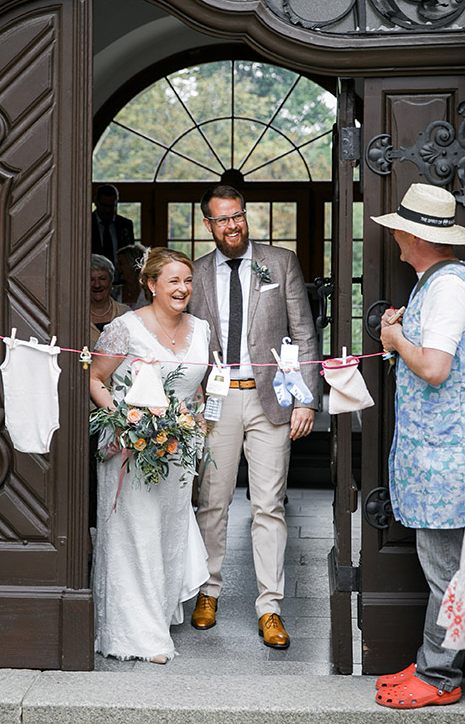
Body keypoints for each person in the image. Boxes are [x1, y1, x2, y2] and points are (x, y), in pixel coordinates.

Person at [186, 184, 320, 649]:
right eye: (221, 220)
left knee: (269, 505)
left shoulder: (279, 262)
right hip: (216, 403)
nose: (232, 226)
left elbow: (303, 334)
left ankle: (270, 607)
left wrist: (306, 399)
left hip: (272, 402)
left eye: (237, 216)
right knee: (213, 501)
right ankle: (208, 591)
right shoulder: (198, 273)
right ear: (209, 226)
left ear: (247, 215)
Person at [370, 182, 465, 709]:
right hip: (436, 454)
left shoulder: (450, 286)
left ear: (414, 235)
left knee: (447, 572)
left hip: (447, 458)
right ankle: (434, 661)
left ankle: (439, 677)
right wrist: (402, 331)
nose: (396, 240)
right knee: (445, 567)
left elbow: (434, 367)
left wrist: (396, 341)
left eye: (399, 232)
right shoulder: (433, 283)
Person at [88, 247, 210, 663]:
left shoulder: (202, 329)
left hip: (178, 448)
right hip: (131, 447)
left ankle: (158, 614)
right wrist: (123, 421)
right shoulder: (125, 328)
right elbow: (96, 379)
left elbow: (196, 388)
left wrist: (199, 426)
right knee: (135, 533)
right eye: (173, 280)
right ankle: (136, 635)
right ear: (150, 284)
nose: (182, 288)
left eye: (188, 280)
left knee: (168, 533)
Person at [91, 183, 135, 268]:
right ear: (96, 202)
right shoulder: (86, 224)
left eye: (112, 206)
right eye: (104, 205)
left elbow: (130, 255)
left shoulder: (125, 225)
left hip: (121, 276)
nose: (107, 210)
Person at [89, 254, 128, 347]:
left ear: (111, 282)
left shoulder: (125, 313)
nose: (97, 285)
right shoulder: (75, 315)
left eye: (102, 279)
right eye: (91, 279)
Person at [115, 243, 150, 309]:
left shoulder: (150, 292)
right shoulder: (115, 292)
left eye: (121, 263)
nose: (117, 267)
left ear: (133, 265)